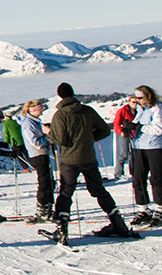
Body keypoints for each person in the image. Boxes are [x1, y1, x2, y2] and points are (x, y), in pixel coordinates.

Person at [45, 82, 137, 245]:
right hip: (88, 157)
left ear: (60, 96)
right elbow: (104, 130)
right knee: (99, 190)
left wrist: (50, 133)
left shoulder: (60, 115)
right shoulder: (87, 111)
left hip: (69, 160)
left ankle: (62, 229)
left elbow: (60, 140)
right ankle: (118, 223)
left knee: (66, 192)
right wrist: (88, 139)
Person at [126, 85, 162, 227]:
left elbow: (158, 129)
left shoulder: (157, 108)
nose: (138, 101)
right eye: (136, 98)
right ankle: (144, 208)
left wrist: (140, 127)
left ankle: (160, 208)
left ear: (148, 96)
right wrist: (129, 126)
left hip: (155, 147)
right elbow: (136, 123)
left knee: (157, 178)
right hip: (139, 146)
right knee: (138, 178)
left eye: (140, 98)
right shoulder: (141, 110)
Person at [15, 99, 55, 223]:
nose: (42, 112)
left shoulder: (33, 121)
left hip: (40, 154)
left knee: (48, 181)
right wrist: (47, 138)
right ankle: (43, 210)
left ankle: (47, 208)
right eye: (40, 109)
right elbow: (34, 141)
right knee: (44, 182)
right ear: (34, 110)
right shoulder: (28, 123)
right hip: (37, 154)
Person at [111, 93, 140, 180]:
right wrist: (120, 131)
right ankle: (118, 173)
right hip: (125, 133)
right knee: (124, 154)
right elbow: (116, 122)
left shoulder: (137, 111)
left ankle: (134, 172)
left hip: (133, 133)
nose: (135, 104)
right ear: (129, 102)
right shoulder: (123, 110)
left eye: (137, 102)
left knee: (133, 154)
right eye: (134, 102)